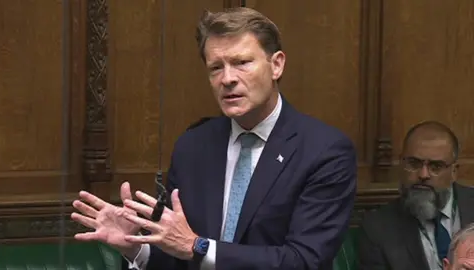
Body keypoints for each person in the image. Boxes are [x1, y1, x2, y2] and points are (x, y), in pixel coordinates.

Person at [71, 7, 357, 270]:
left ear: (276, 65)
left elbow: (304, 261)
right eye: (216, 67)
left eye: (242, 63)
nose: (227, 79)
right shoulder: (193, 147)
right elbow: (178, 252)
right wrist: (136, 248)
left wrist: (199, 246)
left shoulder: (324, 151)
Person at [358, 121, 474, 270]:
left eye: (435, 166)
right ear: (401, 164)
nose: (423, 175)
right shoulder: (378, 227)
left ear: (454, 172)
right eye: (414, 164)